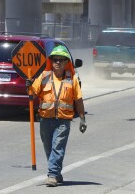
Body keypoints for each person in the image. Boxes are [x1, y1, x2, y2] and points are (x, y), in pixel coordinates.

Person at [27, 45, 87, 187]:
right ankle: (57, 173)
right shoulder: (44, 77)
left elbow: (78, 100)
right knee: (49, 148)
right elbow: (32, 93)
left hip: (63, 121)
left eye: (61, 59)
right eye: (55, 59)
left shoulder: (72, 79)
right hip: (45, 120)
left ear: (67, 62)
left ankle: (52, 174)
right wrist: (28, 85)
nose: (58, 62)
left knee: (57, 147)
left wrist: (82, 119)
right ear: (51, 61)